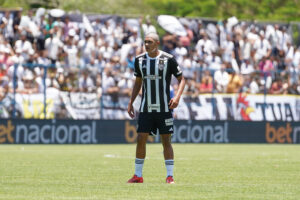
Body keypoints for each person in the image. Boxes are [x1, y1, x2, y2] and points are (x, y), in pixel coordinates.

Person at [127, 33, 186, 184]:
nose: (146, 45)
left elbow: (182, 79)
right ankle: (138, 175)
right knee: (141, 138)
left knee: (166, 140)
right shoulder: (140, 60)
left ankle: (170, 176)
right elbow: (138, 82)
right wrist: (131, 102)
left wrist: (177, 97)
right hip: (146, 107)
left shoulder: (168, 59)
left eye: (150, 42)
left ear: (157, 43)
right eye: (145, 42)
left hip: (164, 108)